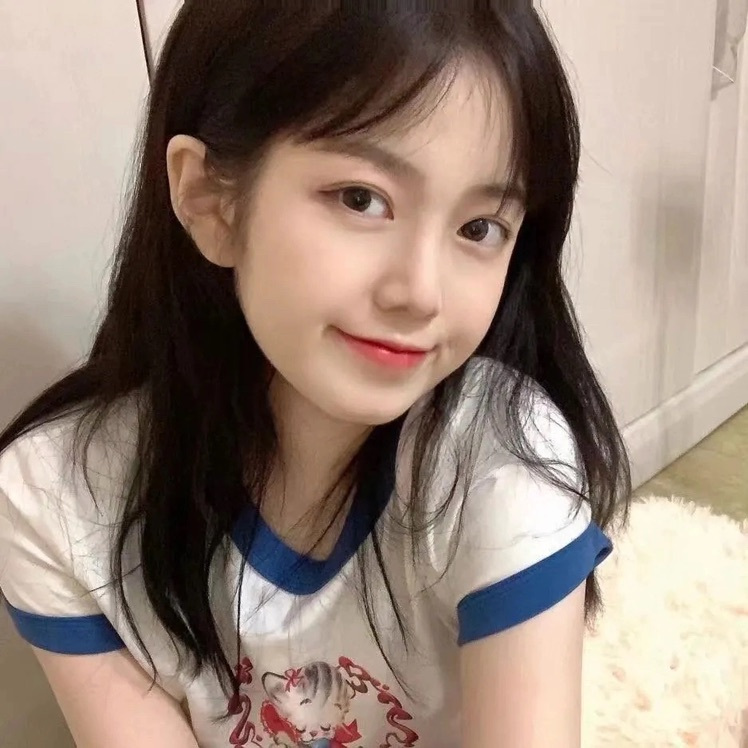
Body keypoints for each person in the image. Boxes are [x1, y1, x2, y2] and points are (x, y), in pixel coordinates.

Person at [0, 2, 631, 747]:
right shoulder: (53, 499)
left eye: (478, 228)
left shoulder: (501, 462)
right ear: (210, 198)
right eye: (362, 199)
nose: (420, 292)